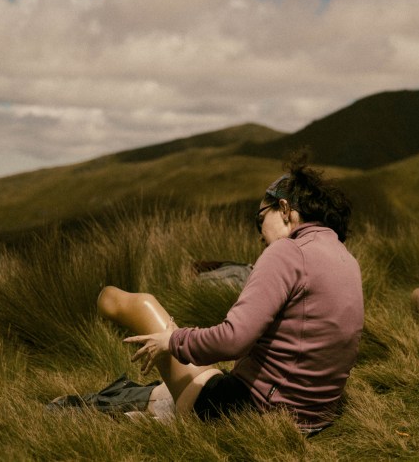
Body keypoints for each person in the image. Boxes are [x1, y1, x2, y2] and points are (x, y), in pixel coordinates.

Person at [97, 156, 364, 433]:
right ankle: (122, 400)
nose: (260, 235)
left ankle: (100, 303)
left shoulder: (288, 251)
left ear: (284, 208)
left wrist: (173, 341)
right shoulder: (346, 259)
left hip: (253, 413)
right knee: (189, 381)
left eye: (260, 219)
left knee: (140, 304)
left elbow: (234, 339)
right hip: (314, 416)